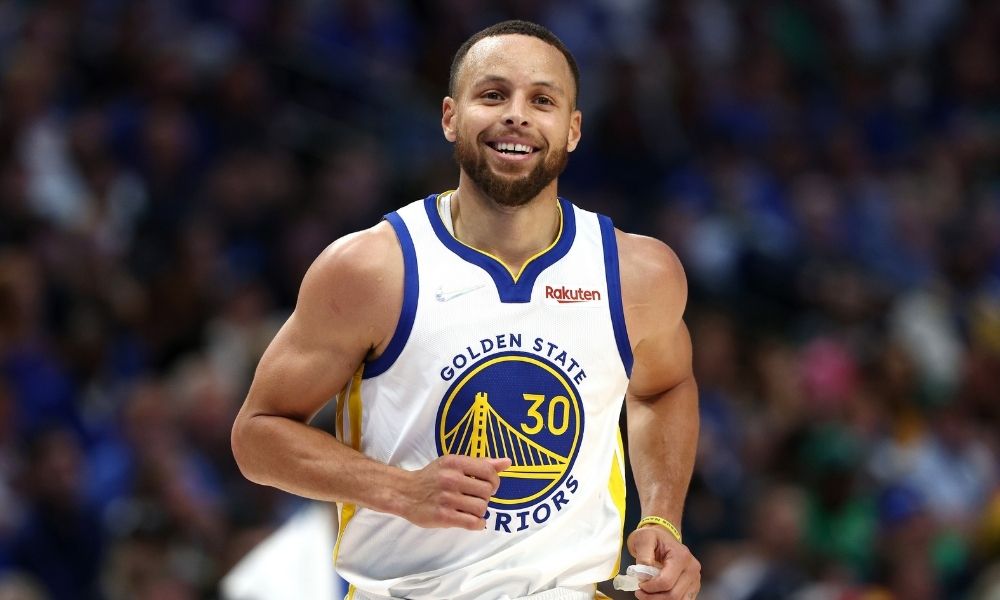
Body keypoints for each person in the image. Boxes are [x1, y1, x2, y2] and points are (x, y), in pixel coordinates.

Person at [231, 19, 701, 600]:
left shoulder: (638, 273)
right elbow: (257, 436)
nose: (517, 115)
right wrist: (399, 490)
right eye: (493, 94)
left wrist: (660, 518)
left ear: (573, 130)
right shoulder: (372, 269)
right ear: (451, 116)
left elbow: (664, 388)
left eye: (543, 101)